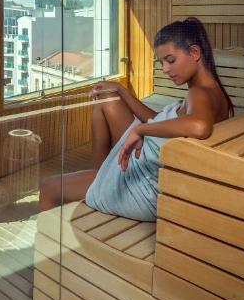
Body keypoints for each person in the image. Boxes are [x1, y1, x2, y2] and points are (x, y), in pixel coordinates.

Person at [38, 18, 234, 219]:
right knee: (106, 96)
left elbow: (200, 127)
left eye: (171, 60)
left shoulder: (199, 93)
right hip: (151, 165)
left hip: (146, 187)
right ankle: (99, 174)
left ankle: (98, 179)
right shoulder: (212, 91)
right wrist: (122, 91)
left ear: (194, 53)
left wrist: (140, 130)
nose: (165, 69)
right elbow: (162, 121)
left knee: (48, 187)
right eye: (162, 63)